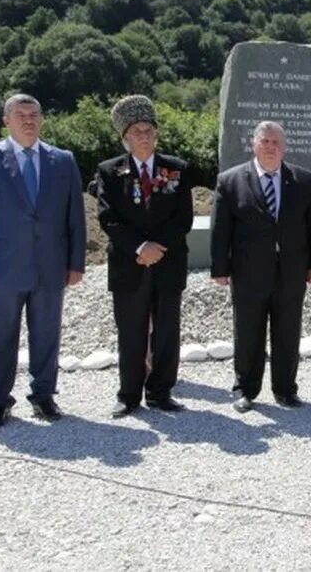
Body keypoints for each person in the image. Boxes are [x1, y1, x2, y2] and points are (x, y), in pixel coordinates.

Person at [0, 94, 86, 428]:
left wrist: (76, 262)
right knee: (1, 338)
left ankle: (43, 397)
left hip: (50, 267)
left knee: (47, 335)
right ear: (7, 120)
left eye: (34, 114)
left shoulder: (63, 161)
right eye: (21, 115)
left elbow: (75, 216)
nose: (29, 120)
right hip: (2, 270)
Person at [210, 121, 311, 412]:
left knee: (288, 331)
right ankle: (245, 389)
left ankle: (285, 389)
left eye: (276, 142)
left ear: (284, 147)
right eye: (265, 142)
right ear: (254, 145)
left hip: (291, 272)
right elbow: (220, 229)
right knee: (248, 332)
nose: (271, 147)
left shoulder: (303, 179)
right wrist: (219, 268)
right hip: (248, 272)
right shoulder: (230, 180)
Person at [96, 96, 194, 419]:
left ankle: (161, 391)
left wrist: (157, 248)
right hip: (129, 264)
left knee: (167, 331)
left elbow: (183, 219)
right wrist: (140, 248)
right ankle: (129, 395)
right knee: (131, 331)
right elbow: (108, 219)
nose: (144, 135)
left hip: (168, 262)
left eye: (149, 129)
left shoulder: (176, 169)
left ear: (157, 133)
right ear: (125, 137)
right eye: (136, 130)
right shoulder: (110, 172)